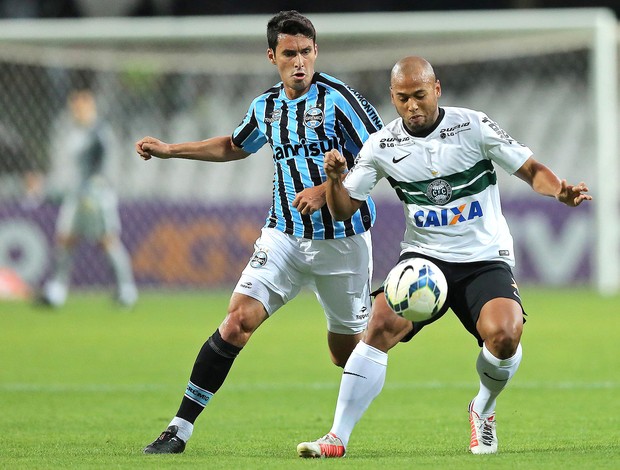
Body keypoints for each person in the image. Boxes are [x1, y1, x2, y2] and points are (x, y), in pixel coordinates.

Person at [297, 56, 592, 458]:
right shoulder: (382, 145)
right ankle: (336, 436)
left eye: (420, 95)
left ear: (437, 89)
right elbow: (344, 208)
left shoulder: (473, 126)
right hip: (424, 258)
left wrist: (559, 191)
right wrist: (333, 181)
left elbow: (530, 168)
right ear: (393, 97)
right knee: (380, 324)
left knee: (505, 336)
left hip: (484, 256)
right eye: (403, 98)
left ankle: (482, 409)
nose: (412, 105)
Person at [135, 10, 383, 454]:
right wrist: (171, 149)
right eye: (290, 54)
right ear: (273, 56)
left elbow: (381, 154)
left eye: (306, 52)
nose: (299, 61)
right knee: (236, 323)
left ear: (316, 52)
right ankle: (179, 428)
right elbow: (234, 145)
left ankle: (377, 343)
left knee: (345, 355)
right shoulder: (265, 106)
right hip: (283, 238)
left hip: (343, 245)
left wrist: (327, 191)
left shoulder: (341, 100)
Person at [39, 88, 138, 308]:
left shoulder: (99, 132)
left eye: (80, 105)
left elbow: (106, 164)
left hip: (96, 195)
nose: (76, 110)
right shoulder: (74, 131)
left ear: (90, 107)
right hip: (76, 194)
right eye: (74, 106)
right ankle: (56, 290)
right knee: (65, 239)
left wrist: (99, 187)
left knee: (106, 241)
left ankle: (127, 290)